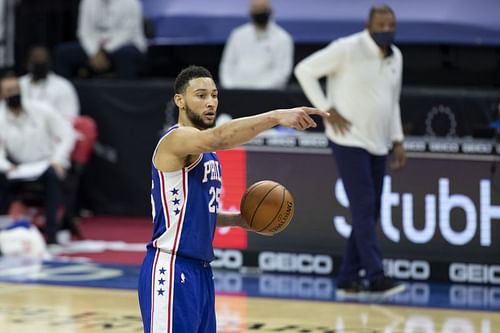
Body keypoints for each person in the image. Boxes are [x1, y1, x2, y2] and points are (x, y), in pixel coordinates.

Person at [138, 65, 324, 332]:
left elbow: (193, 216)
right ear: (179, 100)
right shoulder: (176, 140)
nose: (210, 102)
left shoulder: (209, 155)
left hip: (200, 271)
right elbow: (221, 136)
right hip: (170, 266)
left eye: (214, 95)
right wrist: (276, 116)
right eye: (201, 95)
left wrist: (237, 220)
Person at [294, 4, 407, 297]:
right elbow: (304, 70)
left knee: (372, 210)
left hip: (379, 142)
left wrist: (398, 139)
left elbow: (393, 101)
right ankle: (375, 276)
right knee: (364, 206)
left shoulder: (396, 56)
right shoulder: (346, 48)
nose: (385, 30)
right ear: (368, 25)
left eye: (390, 25)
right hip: (348, 141)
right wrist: (326, 109)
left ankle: (347, 277)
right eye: (380, 25)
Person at [0, 74, 76, 245]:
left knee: (52, 177)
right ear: (2, 95)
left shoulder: (41, 109)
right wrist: (5, 166)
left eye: (17, 90)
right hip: (18, 168)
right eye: (9, 91)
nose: (14, 94)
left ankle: (52, 235)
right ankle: (4, 236)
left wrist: (58, 159)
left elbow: (67, 134)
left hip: (46, 164)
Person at [54, 0, 147, 80]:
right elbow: (84, 32)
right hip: (94, 47)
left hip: (125, 45)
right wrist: (93, 52)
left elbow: (126, 34)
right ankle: (63, 94)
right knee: (62, 52)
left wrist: (104, 51)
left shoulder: (131, 3)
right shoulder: (88, 2)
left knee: (126, 55)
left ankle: (127, 95)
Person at [219, 0, 294, 90]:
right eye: (256, 9)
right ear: (249, 12)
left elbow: (282, 72)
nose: (259, 12)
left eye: (262, 9)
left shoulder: (283, 38)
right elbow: (227, 65)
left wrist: (258, 92)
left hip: (268, 94)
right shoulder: (238, 34)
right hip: (236, 92)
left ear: (271, 10)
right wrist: (230, 88)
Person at [20, 45, 80, 120]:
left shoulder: (63, 86)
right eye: (35, 59)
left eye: (42, 60)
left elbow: (70, 117)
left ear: (49, 62)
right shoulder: (19, 84)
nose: (39, 62)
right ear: (27, 62)